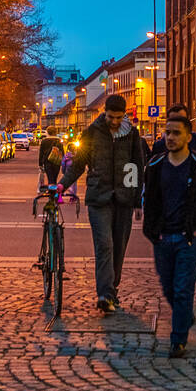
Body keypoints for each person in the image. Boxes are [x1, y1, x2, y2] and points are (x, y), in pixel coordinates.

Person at [59, 94, 146, 315]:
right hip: (99, 197)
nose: (114, 122)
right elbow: (78, 163)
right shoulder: (92, 132)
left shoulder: (131, 134)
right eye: (110, 117)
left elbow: (136, 166)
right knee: (104, 244)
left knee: (119, 248)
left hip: (124, 199)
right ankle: (105, 294)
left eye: (118, 117)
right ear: (103, 113)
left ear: (124, 115)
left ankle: (111, 290)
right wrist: (62, 185)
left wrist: (137, 200)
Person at [143, 112, 196, 359]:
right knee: (168, 288)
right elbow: (148, 197)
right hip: (163, 238)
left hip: (190, 239)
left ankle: (178, 341)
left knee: (183, 288)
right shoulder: (155, 165)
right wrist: (152, 230)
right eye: (168, 132)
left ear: (188, 136)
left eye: (176, 133)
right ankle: (184, 314)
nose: (170, 137)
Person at [152, 103, 196, 207]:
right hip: (165, 205)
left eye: (181, 119)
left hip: (195, 204)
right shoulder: (159, 146)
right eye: (173, 119)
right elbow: (151, 182)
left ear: (188, 120)